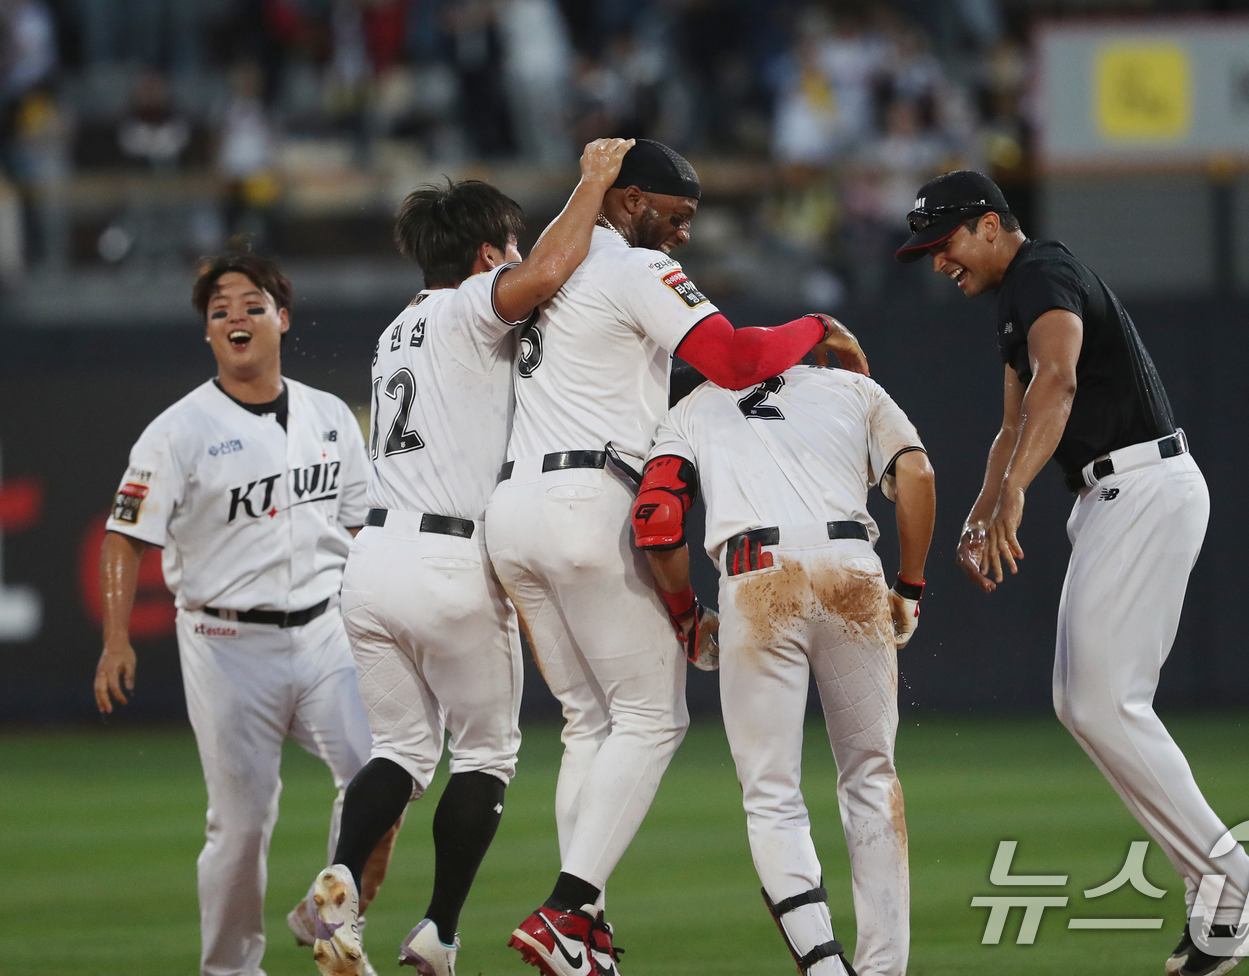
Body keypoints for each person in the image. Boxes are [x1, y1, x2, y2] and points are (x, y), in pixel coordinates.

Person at [485, 136, 870, 976]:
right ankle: (564, 913)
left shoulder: (552, 269)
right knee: (655, 716)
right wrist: (815, 326)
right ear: (628, 202)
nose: (685, 234)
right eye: (677, 214)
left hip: (510, 510)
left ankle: (583, 936)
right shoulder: (627, 265)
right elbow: (732, 361)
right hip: (587, 500)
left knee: (592, 722)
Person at [896, 170, 1249, 976]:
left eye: (944, 244)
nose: (939, 263)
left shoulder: (1042, 270)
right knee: (1090, 704)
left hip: (1142, 484)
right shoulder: (1017, 298)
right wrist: (986, 499)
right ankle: (1223, 885)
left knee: (1099, 701)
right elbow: (1015, 420)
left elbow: (1060, 379)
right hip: (1118, 494)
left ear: (986, 224)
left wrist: (1011, 495)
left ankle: (1236, 881)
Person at [305, 138, 634, 976]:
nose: (521, 258)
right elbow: (550, 270)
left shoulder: (393, 331)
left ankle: (339, 883)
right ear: (488, 256)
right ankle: (438, 933)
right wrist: (593, 183)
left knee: (402, 751)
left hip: (372, 561)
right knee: (486, 755)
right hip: (450, 559)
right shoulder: (468, 306)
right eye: (510, 247)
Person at [93, 251, 395, 976]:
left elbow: (363, 528)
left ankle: (329, 921)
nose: (235, 315)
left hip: (326, 628)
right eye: (219, 308)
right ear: (207, 333)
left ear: (282, 319)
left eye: (252, 303)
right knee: (241, 823)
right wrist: (114, 640)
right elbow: (124, 535)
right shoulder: (178, 431)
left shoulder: (328, 415)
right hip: (227, 641)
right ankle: (229, 969)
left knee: (383, 776)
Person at [634, 362, 934, 976]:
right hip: (852, 566)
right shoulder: (850, 385)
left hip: (756, 574)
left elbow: (658, 519)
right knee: (872, 778)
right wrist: (910, 583)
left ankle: (824, 967)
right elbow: (917, 472)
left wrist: (690, 616)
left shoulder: (691, 406)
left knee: (771, 793)